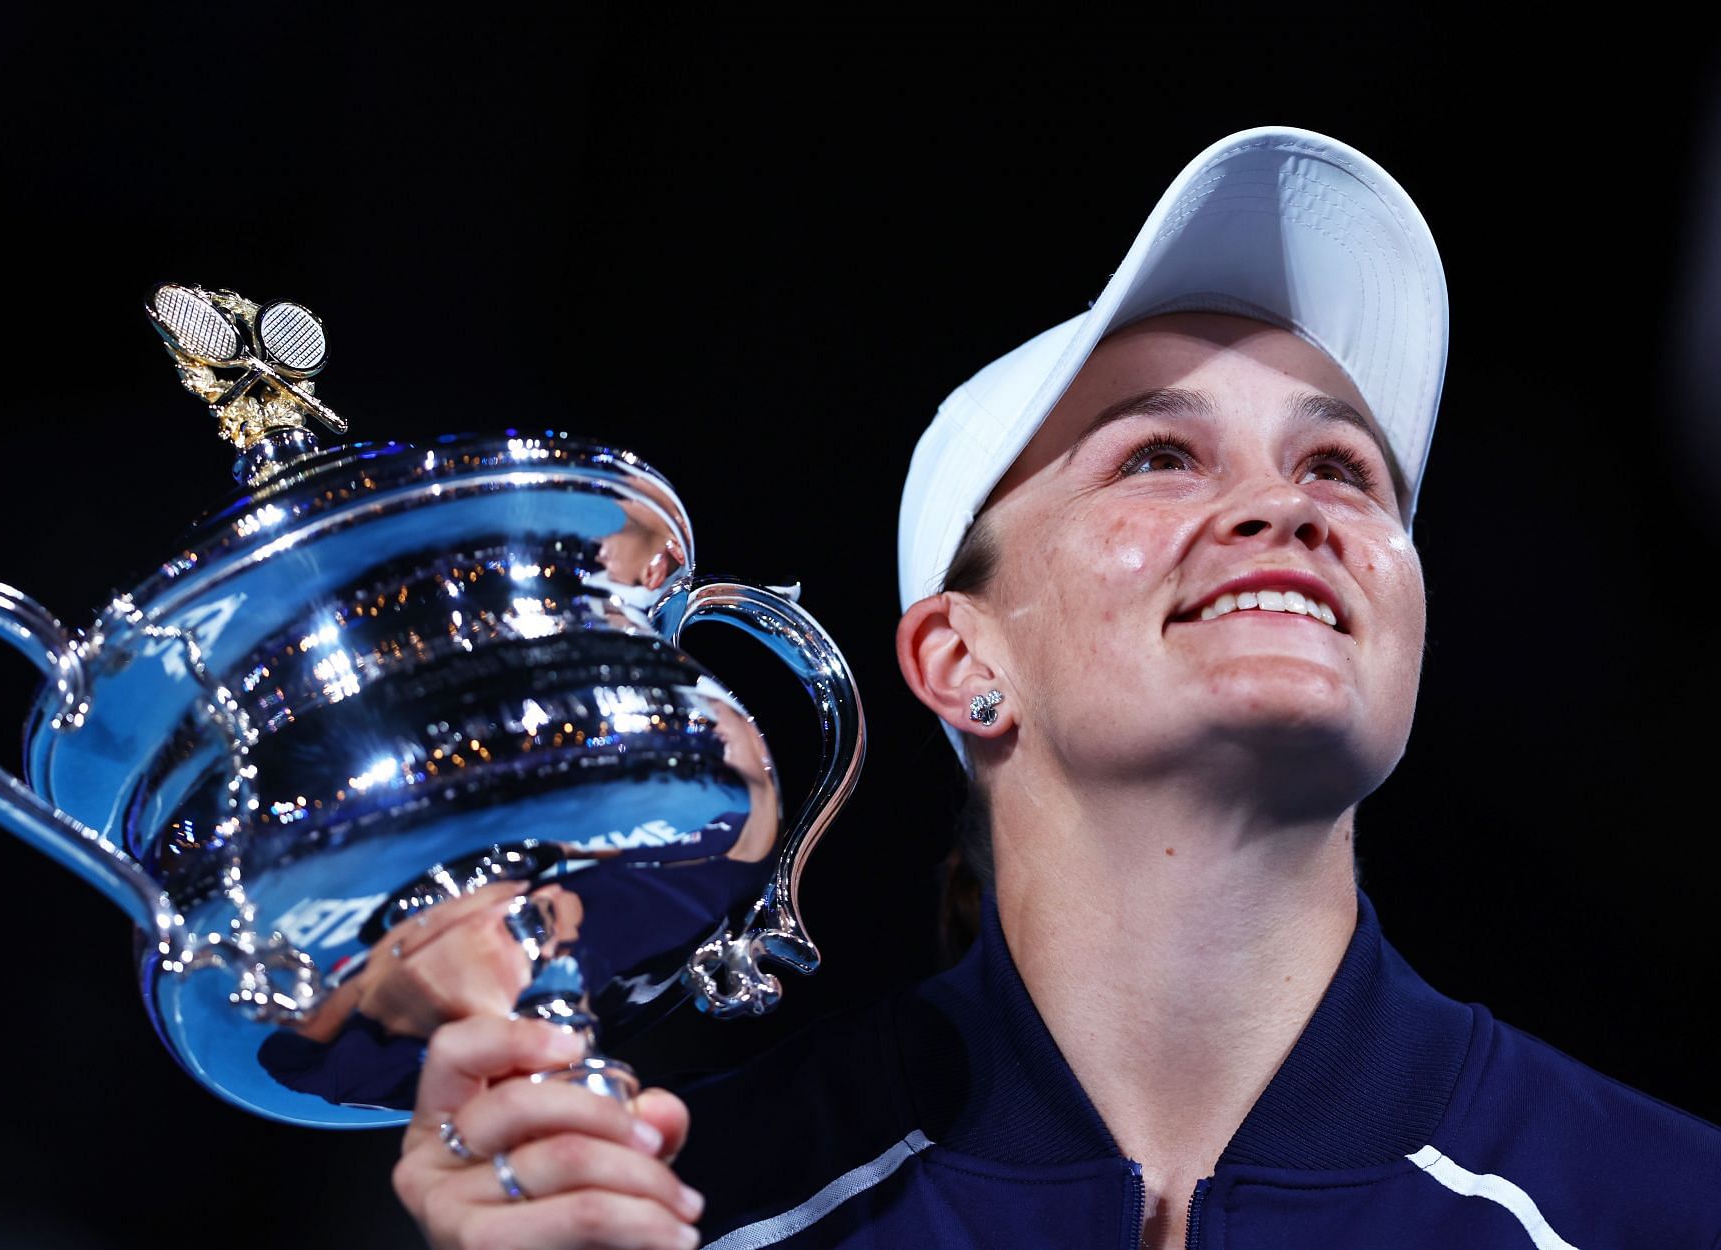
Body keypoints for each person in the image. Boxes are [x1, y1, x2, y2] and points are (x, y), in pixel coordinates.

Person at [388, 126, 1721, 1249]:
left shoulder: (1667, 1204)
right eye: (1156, 455)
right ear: (962, 662)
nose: (1285, 505)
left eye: (1341, 470)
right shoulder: (706, 1208)